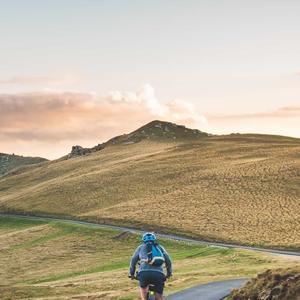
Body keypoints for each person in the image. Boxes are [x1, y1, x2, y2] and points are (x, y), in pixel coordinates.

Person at [129, 232, 172, 300]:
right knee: (159, 296)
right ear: (154, 239)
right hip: (158, 274)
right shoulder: (160, 247)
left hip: (144, 273)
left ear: (143, 240)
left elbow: (133, 261)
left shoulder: (140, 247)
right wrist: (169, 273)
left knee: (143, 289)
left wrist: (132, 273)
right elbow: (168, 261)